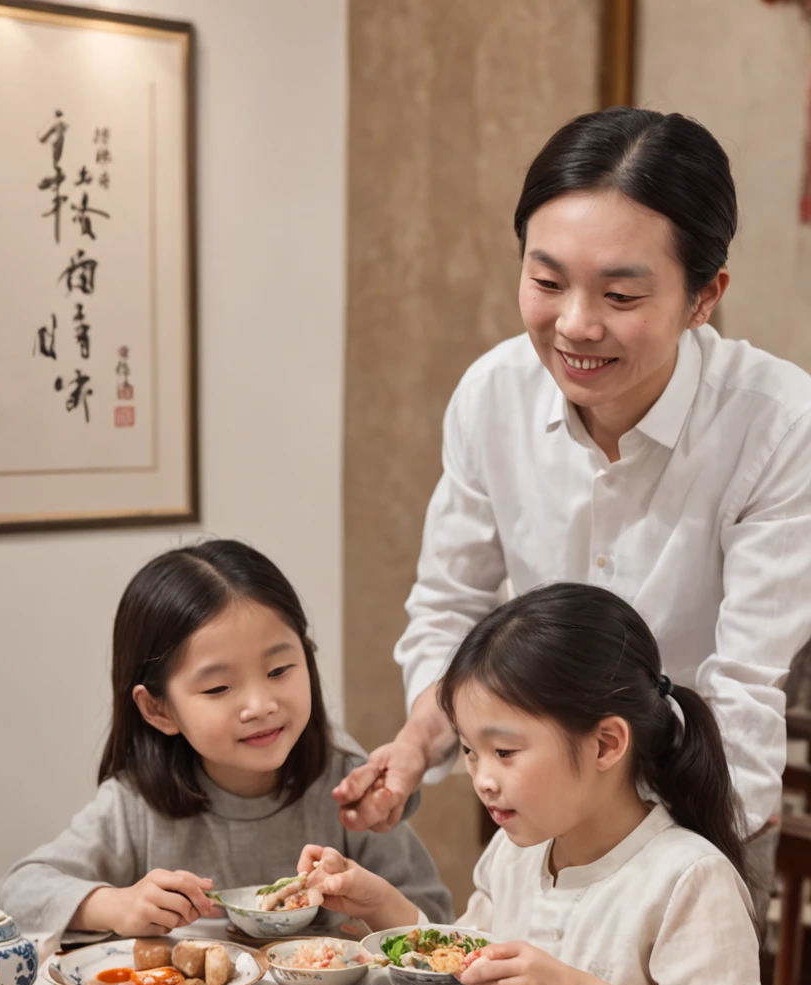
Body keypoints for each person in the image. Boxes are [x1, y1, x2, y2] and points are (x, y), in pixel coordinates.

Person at [333, 107, 811, 924]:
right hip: (534, 816)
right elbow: (453, 609)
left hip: (702, 816)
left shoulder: (779, 424)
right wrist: (420, 743)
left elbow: (744, 688)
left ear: (706, 297)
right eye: (547, 282)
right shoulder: (493, 395)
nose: (575, 326)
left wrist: (663, 878)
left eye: (621, 293)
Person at [302, 584, 764, 985]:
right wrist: (380, 906)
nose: (483, 779)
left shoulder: (688, 876)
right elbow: (466, 975)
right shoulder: (514, 854)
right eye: (470, 751)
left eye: (505, 752)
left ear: (606, 744)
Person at [0, 540, 452, 935]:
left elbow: (433, 919)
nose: (260, 705)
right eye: (218, 688)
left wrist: (372, 914)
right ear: (159, 708)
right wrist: (115, 906)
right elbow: (18, 892)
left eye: (279, 670)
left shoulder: (347, 787)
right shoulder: (136, 807)